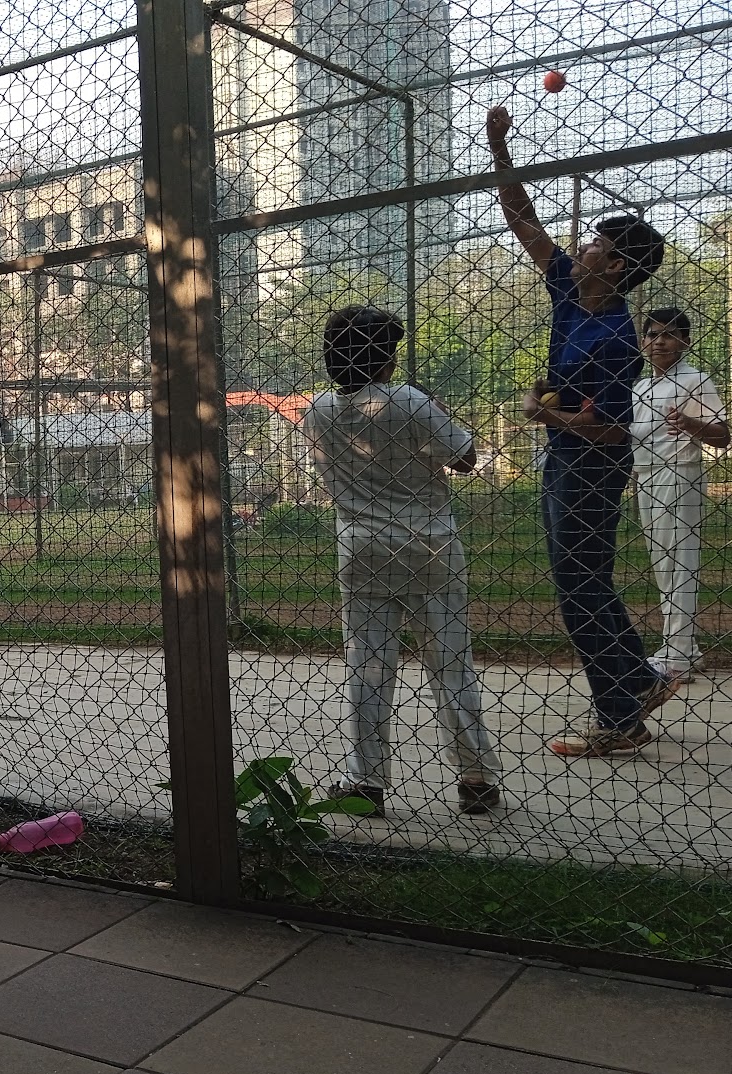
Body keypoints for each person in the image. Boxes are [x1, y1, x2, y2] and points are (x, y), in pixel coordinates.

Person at [487, 104, 674, 757]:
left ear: (617, 266)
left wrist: (547, 414)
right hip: (566, 457)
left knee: (579, 584)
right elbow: (522, 219)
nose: (582, 244)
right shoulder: (570, 288)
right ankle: (638, 682)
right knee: (582, 580)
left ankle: (620, 717)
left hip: (590, 464)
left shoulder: (617, 337)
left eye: (596, 241)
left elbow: (611, 431)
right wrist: (497, 145)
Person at [304, 306, 502, 817]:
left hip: (362, 549)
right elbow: (464, 458)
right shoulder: (409, 401)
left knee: (368, 669)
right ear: (385, 359)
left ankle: (367, 783)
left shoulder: (319, 409)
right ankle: (476, 778)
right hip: (428, 544)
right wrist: (437, 410)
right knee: (451, 666)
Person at [632, 306, 728, 681]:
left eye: (668, 335)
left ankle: (678, 657)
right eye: (652, 335)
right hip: (646, 476)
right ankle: (683, 647)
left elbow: (723, 435)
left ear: (685, 341)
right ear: (643, 342)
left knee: (680, 563)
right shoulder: (639, 386)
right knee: (663, 564)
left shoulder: (694, 380)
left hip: (679, 474)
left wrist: (691, 423)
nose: (659, 342)